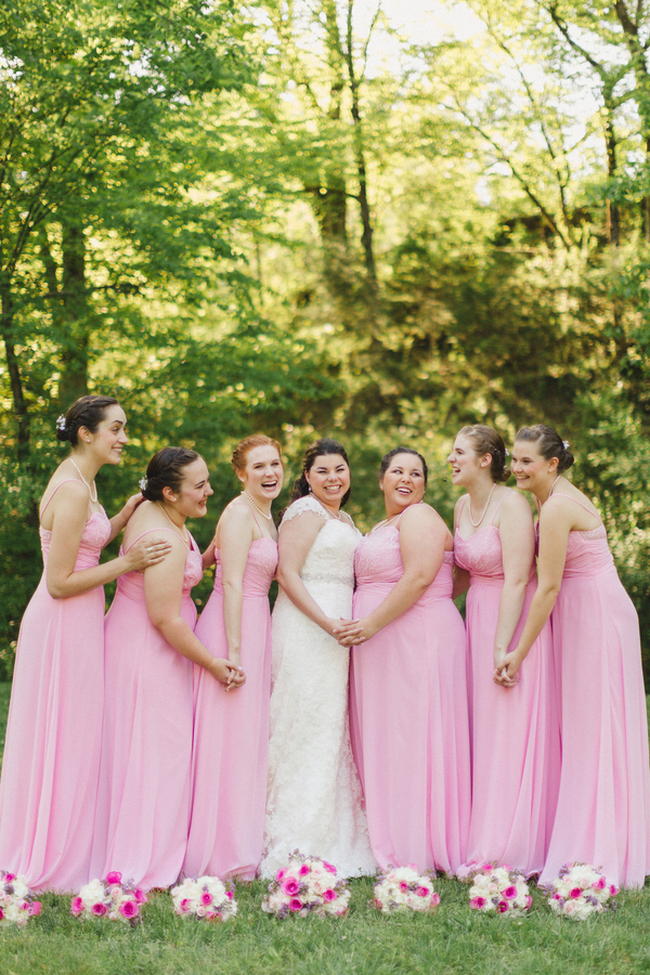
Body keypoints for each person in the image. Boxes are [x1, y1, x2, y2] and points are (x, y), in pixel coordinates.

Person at [0, 395, 168, 892]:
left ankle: (68, 843)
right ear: (85, 433)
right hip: (62, 620)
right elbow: (58, 581)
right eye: (116, 429)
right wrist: (129, 563)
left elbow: (85, 544)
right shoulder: (72, 490)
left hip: (79, 619)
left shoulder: (82, 482)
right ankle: (51, 856)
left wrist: (120, 517)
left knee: (75, 734)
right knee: (64, 733)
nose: (123, 438)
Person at [502, 424, 650, 889]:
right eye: (515, 459)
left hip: (596, 619)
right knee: (586, 726)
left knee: (595, 726)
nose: (517, 468)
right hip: (584, 614)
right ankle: (591, 836)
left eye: (527, 461)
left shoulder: (559, 506)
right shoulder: (553, 498)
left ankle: (597, 847)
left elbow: (547, 587)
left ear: (551, 464)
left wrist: (518, 652)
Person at [93, 447, 244, 890]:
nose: (209, 491)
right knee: (158, 752)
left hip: (134, 641)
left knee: (146, 748)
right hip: (150, 654)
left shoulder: (156, 514)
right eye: (199, 486)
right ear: (168, 492)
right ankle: (147, 859)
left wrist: (207, 558)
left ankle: (143, 846)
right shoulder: (161, 538)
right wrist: (213, 662)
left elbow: (174, 574)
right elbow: (165, 618)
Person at [342, 447, 470, 874]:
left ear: (424, 485)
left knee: (411, 737)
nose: (406, 479)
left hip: (411, 639)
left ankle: (416, 840)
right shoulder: (385, 525)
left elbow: (419, 577)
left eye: (416, 473)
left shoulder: (419, 516)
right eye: (397, 471)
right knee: (391, 736)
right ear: (381, 479)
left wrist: (372, 623)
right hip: (388, 639)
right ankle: (389, 829)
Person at [259, 438, 375, 878]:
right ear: (306, 477)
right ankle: (292, 833)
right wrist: (327, 623)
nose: (333, 478)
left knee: (328, 725)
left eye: (339, 469)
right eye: (322, 471)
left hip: (339, 632)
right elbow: (286, 574)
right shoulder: (305, 512)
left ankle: (330, 829)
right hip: (308, 626)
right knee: (301, 720)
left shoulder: (342, 517)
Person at [448, 425, 558, 876]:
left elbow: (517, 578)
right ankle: (480, 830)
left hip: (510, 624)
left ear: (485, 459)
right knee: (484, 728)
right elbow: (459, 575)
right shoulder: (458, 504)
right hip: (476, 617)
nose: (451, 460)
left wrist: (503, 646)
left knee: (509, 727)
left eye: (459, 453)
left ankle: (509, 842)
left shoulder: (511, 503)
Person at [184, 435, 283, 881]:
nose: (269, 473)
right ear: (241, 474)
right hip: (233, 628)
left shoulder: (266, 514)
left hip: (256, 623)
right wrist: (236, 650)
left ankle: (240, 836)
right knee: (226, 738)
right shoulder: (240, 512)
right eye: (258, 466)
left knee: (245, 738)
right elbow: (231, 583)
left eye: (275, 464)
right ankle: (218, 850)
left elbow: (205, 560)